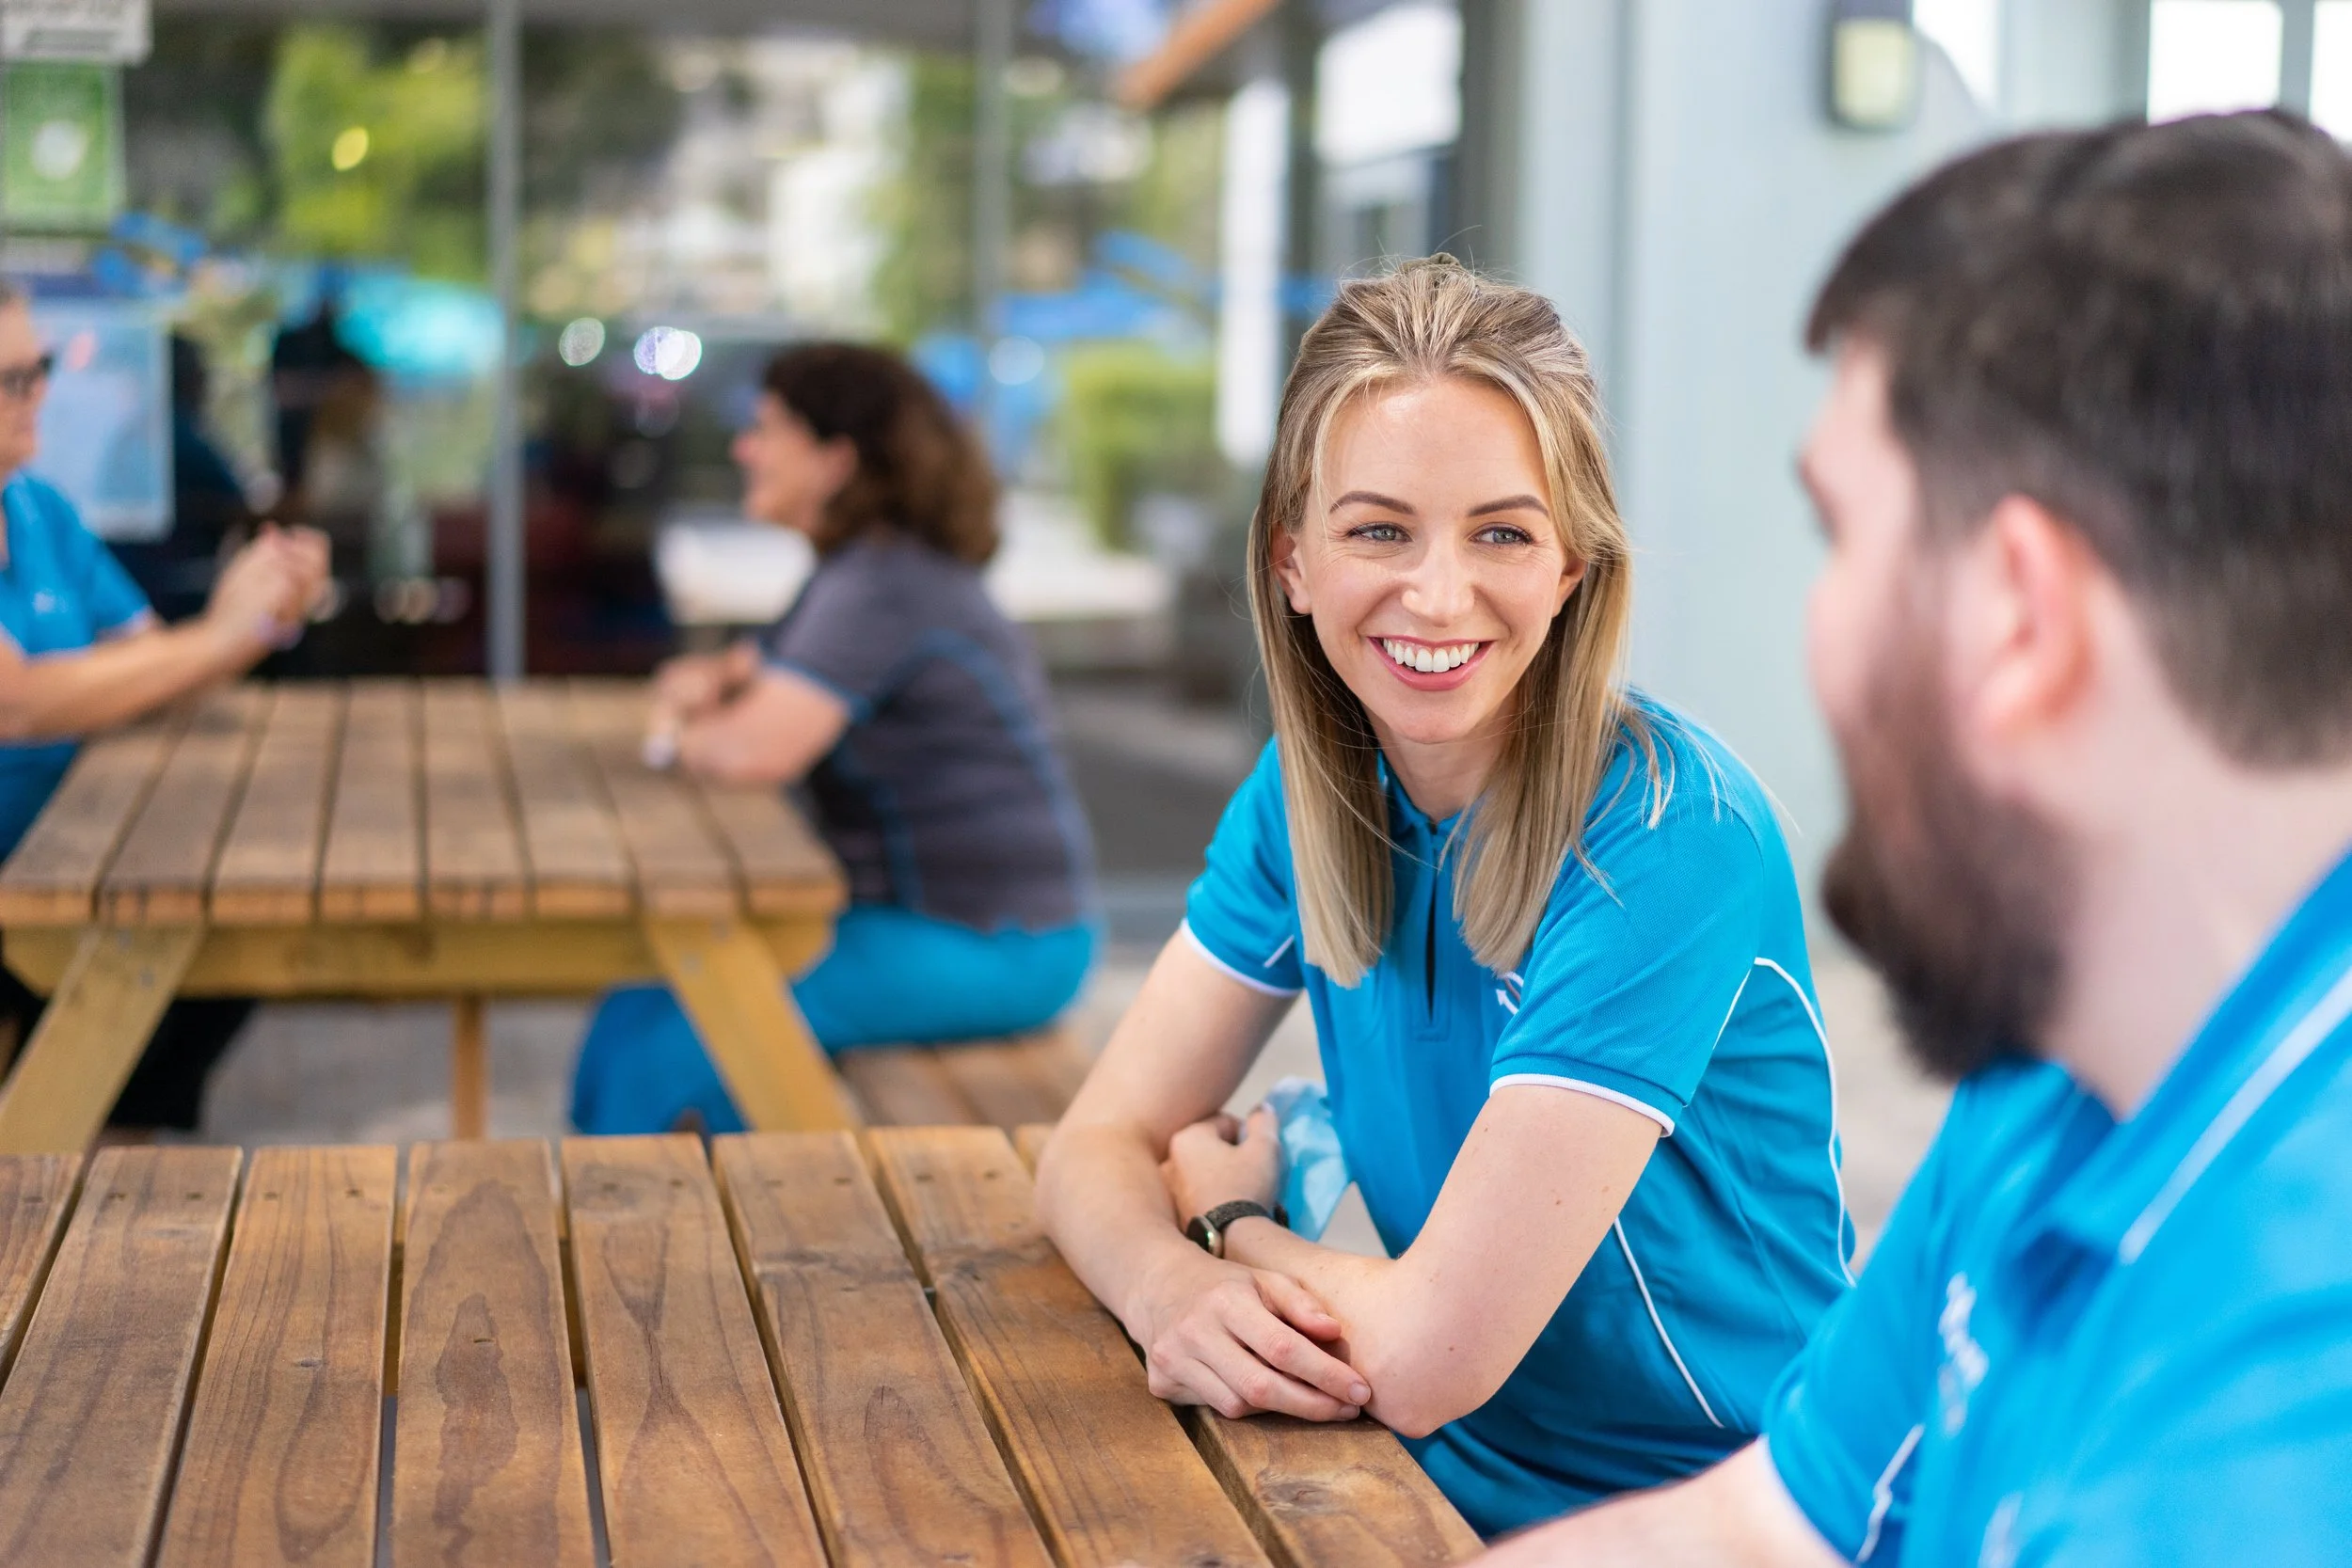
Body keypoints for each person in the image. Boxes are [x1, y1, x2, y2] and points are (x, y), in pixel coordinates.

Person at [1476, 111, 2352, 1567]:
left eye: (1843, 535)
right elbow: (1769, 1529)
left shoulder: (2261, 1468)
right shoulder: (2077, 1065)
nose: (1818, 622)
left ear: (2019, 617)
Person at [1033, 258, 1851, 1537]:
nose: (1436, 591)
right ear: (1291, 559)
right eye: (1378, 529)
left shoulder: (1666, 840)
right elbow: (1091, 1145)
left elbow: (1423, 1352)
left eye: (1502, 532)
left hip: (1713, 1509)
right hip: (1429, 1468)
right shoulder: (1306, 797)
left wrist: (1234, 1221)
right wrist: (1163, 1290)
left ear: (1573, 565)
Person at [570, 341, 1098, 1135]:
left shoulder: (881, 584)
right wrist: (715, 693)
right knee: (637, 1010)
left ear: (833, 460)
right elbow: (742, 671)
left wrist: (680, 734)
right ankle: (620, 1216)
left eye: (766, 428)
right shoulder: (856, 574)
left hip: (994, 943)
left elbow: (754, 749)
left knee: (687, 1040)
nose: (744, 448)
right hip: (935, 924)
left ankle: (664, 1240)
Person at [0, 279, 328, 1133]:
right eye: (10, 380)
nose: (37, 395)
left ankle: (120, 1164)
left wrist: (257, 608)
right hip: (28, 888)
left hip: (77, 854)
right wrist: (225, 635)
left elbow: (147, 657)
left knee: (235, 938)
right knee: (170, 964)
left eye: (35, 371)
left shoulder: (34, 508)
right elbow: (19, 702)